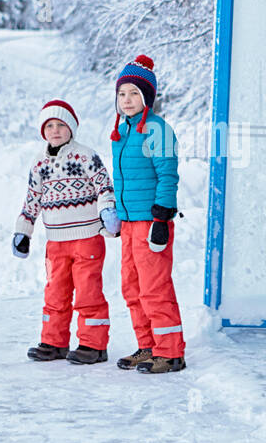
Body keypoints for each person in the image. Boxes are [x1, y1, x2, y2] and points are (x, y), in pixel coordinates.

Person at [12, 99, 121, 364]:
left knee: (88, 293)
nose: (55, 130)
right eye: (49, 126)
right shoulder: (39, 163)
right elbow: (32, 199)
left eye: (61, 125)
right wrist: (23, 231)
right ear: (43, 131)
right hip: (56, 242)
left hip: (86, 238)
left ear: (71, 128)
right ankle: (54, 342)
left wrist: (107, 211)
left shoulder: (85, 155)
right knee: (55, 293)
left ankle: (93, 345)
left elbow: (103, 186)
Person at [109, 55, 186, 373]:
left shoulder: (157, 129)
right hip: (129, 222)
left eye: (134, 94)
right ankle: (148, 346)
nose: (127, 100)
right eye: (122, 94)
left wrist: (161, 218)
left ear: (147, 98)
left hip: (151, 222)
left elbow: (168, 174)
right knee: (131, 287)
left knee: (155, 287)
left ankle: (170, 352)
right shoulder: (122, 132)